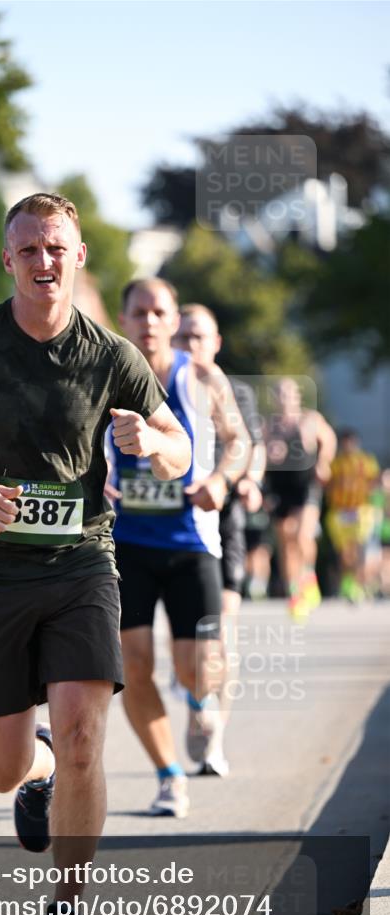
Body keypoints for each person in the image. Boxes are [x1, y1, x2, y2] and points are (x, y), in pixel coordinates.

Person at [0, 193, 190, 915]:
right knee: (1, 769)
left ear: (78, 256)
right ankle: (37, 773)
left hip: (80, 565)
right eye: (28, 249)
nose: (43, 261)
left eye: (56, 247)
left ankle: (66, 907)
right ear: (8, 259)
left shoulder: (111, 356)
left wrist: (150, 439)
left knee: (83, 733)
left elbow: (176, 450)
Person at [107, 279, 250, 820]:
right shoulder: (104, 375)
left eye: (158, 312)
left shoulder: (201, 377)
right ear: (123, 319)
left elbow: (238, 442)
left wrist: (220, 480)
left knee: (198, 667)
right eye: (138, 312)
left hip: (192, 542)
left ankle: (197, 699)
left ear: (173, 321)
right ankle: (169, 775)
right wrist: (96, 480)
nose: (148, 321)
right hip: (127, 542)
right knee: (134, 665)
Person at [174, 305, 266, 706]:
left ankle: (213, 717)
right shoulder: (155, 386)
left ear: (216, 342)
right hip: (175, 520)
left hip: (223, 515)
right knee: (185, 628)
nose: (191, 345)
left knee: (222, 621)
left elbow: (252, 446)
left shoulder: (236, 391)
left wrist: (249, 480)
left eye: (199, 337)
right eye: (183, 337)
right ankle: (196, 686)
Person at [264, 377, 336, 619]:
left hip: (306, 484)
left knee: (303, 534)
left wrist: (323, 462)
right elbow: (258, 453)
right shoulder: (270, 425)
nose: (283, 399)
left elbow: (329, 440)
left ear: (297, 396)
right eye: (279, 394)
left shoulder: (310, 420)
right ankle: (294, 591)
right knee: (286, 541)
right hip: (280, 487)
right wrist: (268, 456)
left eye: (288, 394)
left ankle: (308, 576)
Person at [324, 429, 380, 603]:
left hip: (360, 510)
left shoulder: (367, 461)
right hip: (340, 511)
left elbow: (374, 482)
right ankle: (349, 581)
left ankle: (358, 583)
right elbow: (327, 483)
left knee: (359, 547)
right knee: (345, 550)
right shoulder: (335, 463)